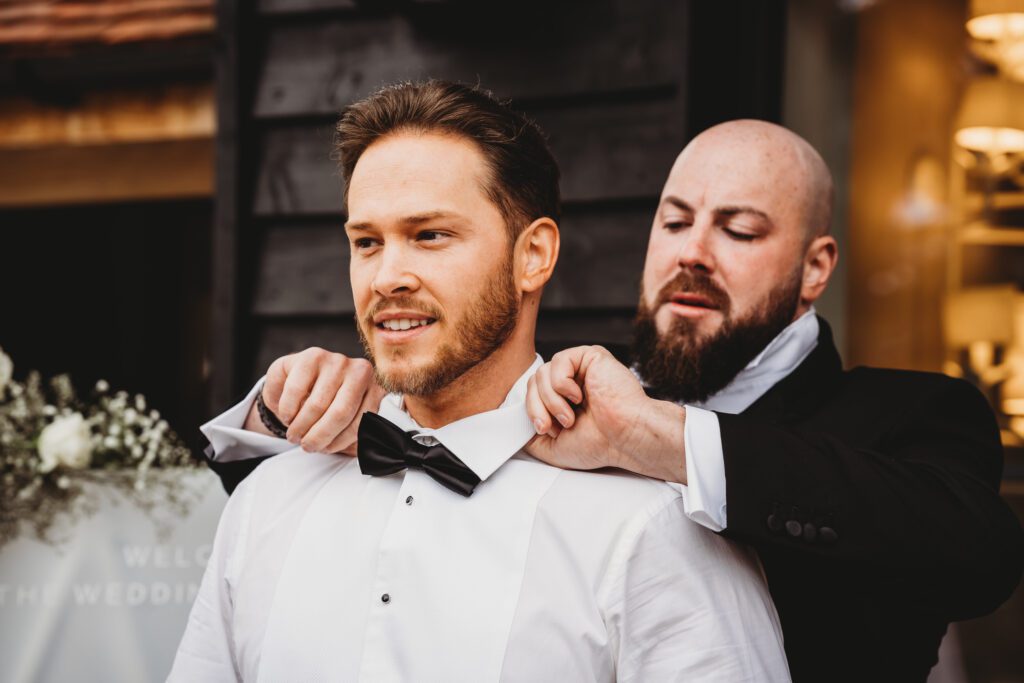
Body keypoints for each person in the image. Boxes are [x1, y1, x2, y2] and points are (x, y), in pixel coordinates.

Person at [204, 116, 1024, 681]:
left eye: (739, 231)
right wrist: (288, 414)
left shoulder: (909, 416)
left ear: (815, 269)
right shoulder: (579, 391)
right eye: (674, 223)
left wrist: (663, 442)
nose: (693, 254)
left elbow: (974, 552)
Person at [171, 81, 791, 681]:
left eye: (429, 236)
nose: (387, 276)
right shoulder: (267, 501)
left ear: (534, 256)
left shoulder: (654, 526)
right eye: (366, 242)